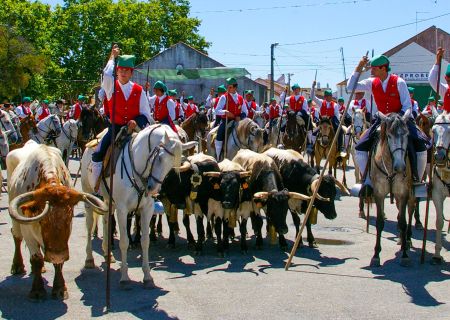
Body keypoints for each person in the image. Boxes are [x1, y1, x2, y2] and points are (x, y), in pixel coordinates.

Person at [348, 54, 430, 196]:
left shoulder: (399, 82)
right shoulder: (371, 82)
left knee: (421, 145)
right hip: (381, 119)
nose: (371, 70)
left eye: (374, 68)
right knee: (360, 146)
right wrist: (358, 67)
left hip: (401, 120)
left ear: (383, 68)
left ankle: (416, 179)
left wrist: (400, 119)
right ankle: (367, 180)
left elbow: (407, 106)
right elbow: (350, 87)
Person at [90, 45, 152, 192]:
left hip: (134, 131)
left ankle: (151, 193)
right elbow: (106, 74)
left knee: (152, 154)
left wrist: (136, 121)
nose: (123, 72)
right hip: (115, 128)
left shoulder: (139, 90)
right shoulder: (110, 86)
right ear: (116, 71)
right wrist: (112, 56)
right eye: (121, 69)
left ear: (131, 73)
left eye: (127, 70)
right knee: (98, 153)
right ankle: (96, 189)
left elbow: (146, 115)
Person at [214, 77, 246, 160]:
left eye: (230, 87)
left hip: (238, 121)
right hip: (226, 121)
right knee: (220, 134)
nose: (228, 89)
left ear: (235, 87)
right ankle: (218, 156)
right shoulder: (224, 97)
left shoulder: (240, 98)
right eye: (228, 87)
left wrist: (241, 116)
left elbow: (246, 111)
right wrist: (225, 112)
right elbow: (216, 111)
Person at [310, 84, 346, 157]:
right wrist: (313, 87)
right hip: (323, 120)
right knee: (314, 132)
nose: (329, 97)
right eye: (327, 96)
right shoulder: (320, 102)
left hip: (331, 120)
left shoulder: (335, 105)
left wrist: (337, 123)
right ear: (325, 97)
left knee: (340, 131)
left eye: (330, 96)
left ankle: (340, 148)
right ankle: (312, 146)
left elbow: (336, 115)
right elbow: (312, 97)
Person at [280, 83, 313, 150]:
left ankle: (309, 142)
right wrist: (284, 92)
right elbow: (282, 99)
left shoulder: (303, 99)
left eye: (297, 89)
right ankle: (281, 142)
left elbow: (305, 108)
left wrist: (299, 113)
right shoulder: (290, 98)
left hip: (300, 113)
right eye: (294, 89)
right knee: (283, 125)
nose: (296, 90)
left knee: (308, 122)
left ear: (299, 90)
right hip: (292, 113)